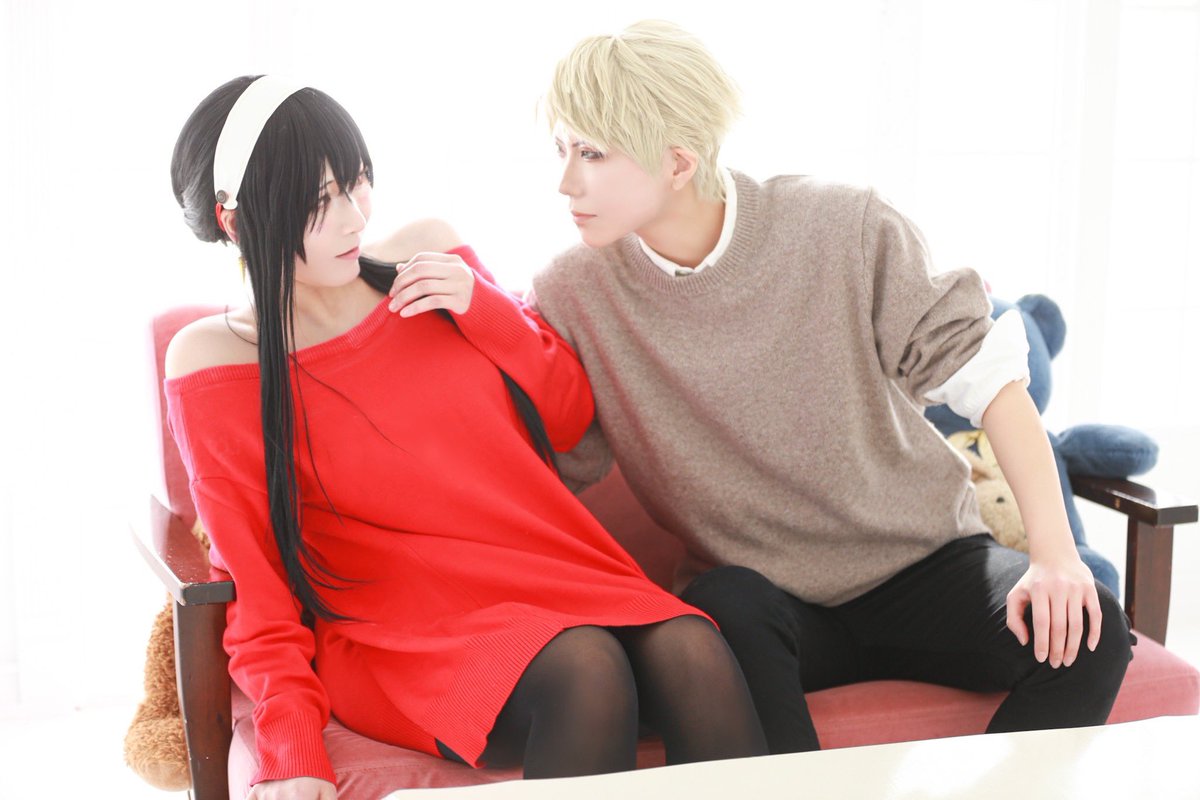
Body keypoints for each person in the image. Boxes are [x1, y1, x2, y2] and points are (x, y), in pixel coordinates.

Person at [529, 20, 1134, 756]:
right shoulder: (574, 291)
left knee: (1093, 634)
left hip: (925, 566)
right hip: (764, 603)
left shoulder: (841, 225)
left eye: (592, 154)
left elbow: (990, 379)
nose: (566, 182)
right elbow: (553, 457)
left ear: (678, 162)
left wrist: (1056, 556)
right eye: (562, 150)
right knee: (719, 610)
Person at [165, 75, 766, 800]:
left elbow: (570, 416)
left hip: (553, 572)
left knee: (694, 649)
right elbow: (252, 572)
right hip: (400, 634)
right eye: (320, 203)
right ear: (236, 221)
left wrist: (485, 308)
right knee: (586, 670)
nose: (355, 219)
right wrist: (291, 744)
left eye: (357, 183)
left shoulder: (426, 259)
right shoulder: (216, 357)